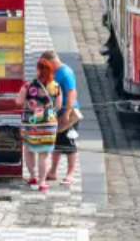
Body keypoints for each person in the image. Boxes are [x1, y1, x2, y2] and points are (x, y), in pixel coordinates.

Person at [17, 58, 60, 191]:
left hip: (31, 123)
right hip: (48, 124)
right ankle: (42, 182)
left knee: (28, 149)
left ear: (37, 69)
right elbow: (58, 106)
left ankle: (33, 176)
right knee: (44, 154)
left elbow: (18, 101)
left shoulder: (28, 86)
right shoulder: (55, 86)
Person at [41, 50, 80, 186]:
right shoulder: (55, 72)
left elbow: (71, 93)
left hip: (67, 111)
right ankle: (53, 171)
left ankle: (70, 174)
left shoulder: (65, 73)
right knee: (56, 143)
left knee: (70, 144)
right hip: (56, 111)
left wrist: (67, 113)